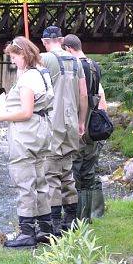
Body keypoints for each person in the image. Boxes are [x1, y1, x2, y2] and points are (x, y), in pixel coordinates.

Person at [0, 36, 55, 248]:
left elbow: (26, 112)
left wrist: (1, 116)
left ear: (24, 55)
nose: (12, 62)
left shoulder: (29, 79)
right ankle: (46, 230)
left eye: (14, 57)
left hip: (26, 136)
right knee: (40, 181)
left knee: (24, 182)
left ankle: (26, 233)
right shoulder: (42, 72)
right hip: (41, 132)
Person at [40, 26, 88, 233]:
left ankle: (55, 224)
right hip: (71, 123)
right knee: (67, 173)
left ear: (44, 41)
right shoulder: (76, 60)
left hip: (53, 124)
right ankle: (71, 221)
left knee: (51, 175)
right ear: (61, 39)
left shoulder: (44, 59)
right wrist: (81, 121)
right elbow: (84, 94)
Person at [62, 34, 107, 222]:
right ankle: (91, 215)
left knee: (75, 172)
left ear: (68, 49)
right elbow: (100, 97)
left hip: (80, 126)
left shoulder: (76, 67)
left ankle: (78, 219)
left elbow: (77, 99)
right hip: (94, 127)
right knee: (89, 172)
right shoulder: (94, 66)